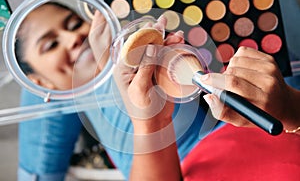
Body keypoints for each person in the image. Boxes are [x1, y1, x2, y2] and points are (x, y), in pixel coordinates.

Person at [17, 2, 215, 180]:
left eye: (75, 25)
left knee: (51, 84)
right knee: (73, 71)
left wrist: (149, 122)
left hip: (163, 155)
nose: (73, 37)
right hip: (201, 142)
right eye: (52, 44)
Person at [114, 46, 300, 181]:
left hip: (184, 155)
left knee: (105, 62)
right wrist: (290, 109)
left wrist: (151, 123)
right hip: (278, 110)